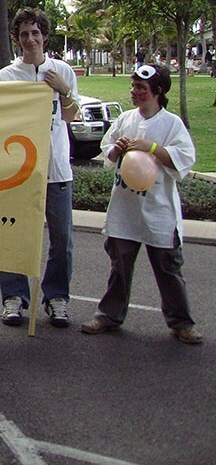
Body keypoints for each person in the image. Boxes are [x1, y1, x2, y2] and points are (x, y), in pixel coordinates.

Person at [81, 64, 202, 344]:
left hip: (158, 210)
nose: (135, 92)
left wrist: (151, 148)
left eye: (141, 88)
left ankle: (181, 322)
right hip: (125, 210)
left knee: (168, 268)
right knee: (119, 266)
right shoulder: (125, 119)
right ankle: (109, 316)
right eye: (133, 86)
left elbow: (184, 158)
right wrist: (118, 148)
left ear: (157, 92)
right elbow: (108, 153)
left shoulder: (171, 124)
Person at [0, 7, 80, 328]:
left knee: (62, 240)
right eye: (24, 34)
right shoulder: (6, 77)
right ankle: (14, 298)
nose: (31, 39)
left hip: (56, 171)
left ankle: (56, 297)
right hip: (18, 173)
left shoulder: (62, 71)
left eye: (35, 33)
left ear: (45, 36)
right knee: (12, 235)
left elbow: (70, 116)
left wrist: (63, 89)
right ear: (17, 39)